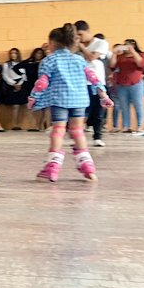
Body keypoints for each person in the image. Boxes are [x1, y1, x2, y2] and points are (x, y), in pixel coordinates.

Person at [31, 24, 112, 182]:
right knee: (77, 131)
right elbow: (93, 78)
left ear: (52, 43)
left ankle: (53, 167)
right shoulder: (79, 60)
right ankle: (88, 167)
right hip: (79, 100)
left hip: (59, 100)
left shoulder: (49, 61)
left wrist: (33, 98)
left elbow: (42, 83)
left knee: (58, 130)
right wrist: (103, 95)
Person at [73, 22, 110, 146]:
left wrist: (81, 47)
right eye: (76, 35)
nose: (79, 37)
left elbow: (92, 57)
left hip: (97, 81)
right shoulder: (75, 46)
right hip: (81, 81)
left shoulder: (101, 43)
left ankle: (97, 137)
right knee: (81, 111)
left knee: (99, 110)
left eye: (80, 34)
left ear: (88, 31)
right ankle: (78, 138)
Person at [110, 38, 144, 134]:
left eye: (129, 45)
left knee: (138, 105)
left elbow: (141, 63)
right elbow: (112, 66)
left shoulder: (141, 55)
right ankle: (126, 126)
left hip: (136, 84)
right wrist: (114, 53)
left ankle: (140, 126)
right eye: (125, 45)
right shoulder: (120, 56)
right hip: (121, 84)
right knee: (124, 106)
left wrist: (133, 51)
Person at [0, 47, 29, 130]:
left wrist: (19, 84)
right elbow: (5, 76)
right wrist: (14, 84)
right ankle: (14, 123)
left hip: (21, 85)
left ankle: (19, 123)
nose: (13, 55)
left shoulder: (22, 64)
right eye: (12, 53)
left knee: (22, 106)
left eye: (15, 53)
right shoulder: (7, 64)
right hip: (11, 85)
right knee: (15, 106)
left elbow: (24, 76)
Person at [23, 47, 48, 132]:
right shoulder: (35, 62)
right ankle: (38, 125)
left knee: (48, 107)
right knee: (37, 106)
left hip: (49, 85)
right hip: (39, 85)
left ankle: (48, 125)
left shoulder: (49, 61)